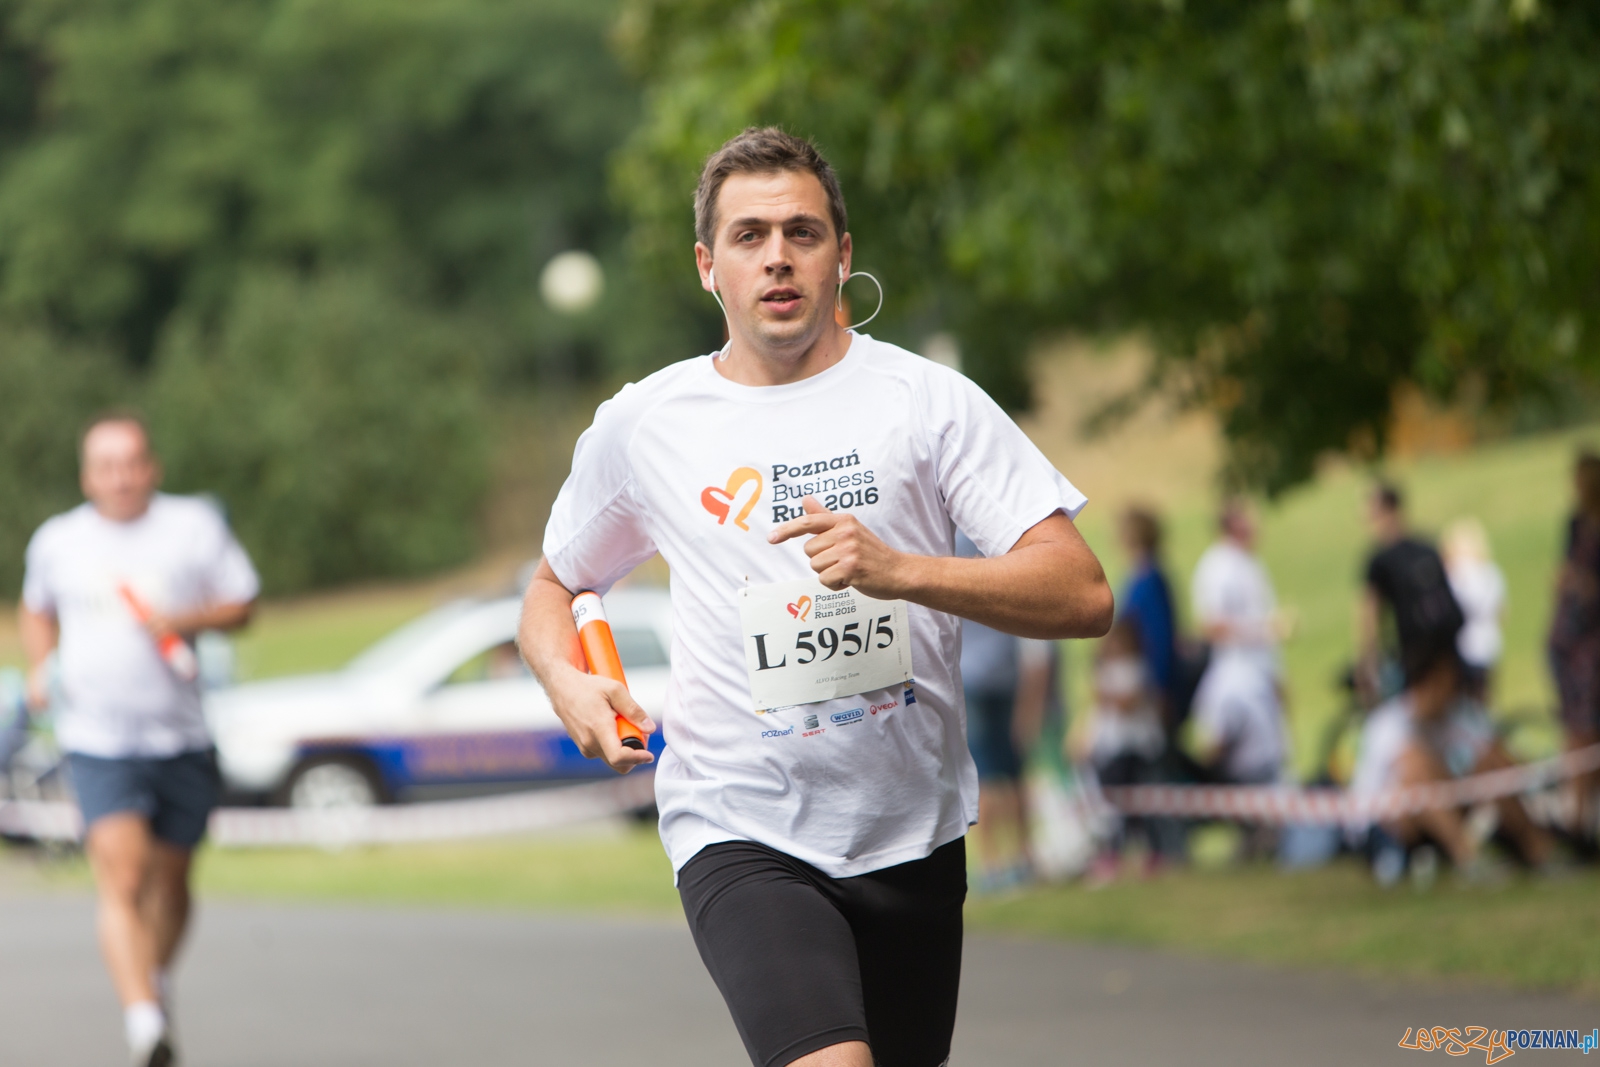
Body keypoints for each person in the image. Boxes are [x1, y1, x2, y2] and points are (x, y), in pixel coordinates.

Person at [517, 127, 1112, 1067]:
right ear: (709, 267)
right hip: (740, 823)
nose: (778, 256)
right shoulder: (649, 424)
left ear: (844, 252)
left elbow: (1082, 591)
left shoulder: (927, 401)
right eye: (749, 237)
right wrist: (569, 681)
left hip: (910, 827)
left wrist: (904, 570)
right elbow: (555, 583)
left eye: (802, 231)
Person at [19, 413, 259, 1067]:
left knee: (173, 882)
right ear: (86, 474)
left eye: (132, 462)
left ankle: (149, 979)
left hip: (179, 736)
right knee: (122, 874)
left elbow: (243, 603)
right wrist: (41, 667)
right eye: (106, 464)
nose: (121, 476)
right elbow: (36, 608)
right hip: (98, 738)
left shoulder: (193, 526)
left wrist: (185, 618)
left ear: (151, 466)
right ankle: (144, 1021)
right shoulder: (59, 541)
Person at [1351, 652, 1551, 881]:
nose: (1451, 688)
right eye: (1444, 682)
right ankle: (1470, 859)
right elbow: (1413, 773)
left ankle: (1540, 850)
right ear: (1425, 683)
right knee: (1418, 771)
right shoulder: (1387, 724)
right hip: (1386, 827)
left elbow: (1498, 756)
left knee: (1491, 763)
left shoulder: (1458, 714)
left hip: (1444, 805)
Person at [953, 532, 1050, 891]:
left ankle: (994, 862)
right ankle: (1023, 854)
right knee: (1013, 768)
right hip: (1006, 671)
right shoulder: (999, 542)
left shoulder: (952, 548)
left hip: (972, 675)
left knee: (988, 772)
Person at [1188, 499, 1288, 787]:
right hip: (1237, 675)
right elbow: (1210, 623)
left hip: (1259, 671)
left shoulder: (1248, 563)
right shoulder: (1218, 566)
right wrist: (1262, 630)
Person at [1073, 619, 1166, 881]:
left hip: (1135, 747)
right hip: (1112, 749)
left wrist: (1105, 691)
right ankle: (1114, 853)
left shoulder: (1135, 669)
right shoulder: (1108, 672)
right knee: (1112, 805)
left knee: (1136, 804)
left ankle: (1151, 853)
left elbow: (1128, 703)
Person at [1359, 483, 1463, 701]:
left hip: (1415, 654)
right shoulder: (1426, 546)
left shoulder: (1380, 559)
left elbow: (1370, 612)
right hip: (1448, 646)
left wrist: (1367, 659)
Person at [1548, 449, 1600, 848]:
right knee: (1577, 727)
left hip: (1592, 640)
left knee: (1586, 729)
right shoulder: (1574, 525)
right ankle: (1577, 817)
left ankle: (1580, 816)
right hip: (1573, 638)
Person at [1115, 505, 1180, 726]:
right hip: (1136, 681)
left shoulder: (1150, 579)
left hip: (1148, 684)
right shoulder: (1139, 574)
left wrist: (1160, 688)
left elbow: (1160, 636)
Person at [1441, 518, 1505, 702]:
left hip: (1463, 647)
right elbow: (1501, 611)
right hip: (1488, 645)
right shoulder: (1491, 572)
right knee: (1483, 699)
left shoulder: (1455, 574)